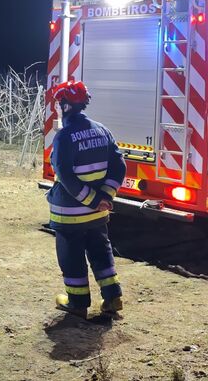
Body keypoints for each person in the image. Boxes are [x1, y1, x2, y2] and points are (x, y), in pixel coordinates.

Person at [47, 79, 126, 318]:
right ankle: (113, 297)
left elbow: (66, 176)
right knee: (101, 251)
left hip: (70, 214)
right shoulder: (102, 130)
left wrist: (90, 199)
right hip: (98, 214)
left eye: (59, 104)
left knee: (71, 257)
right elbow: (119, 165)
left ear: (66, 106)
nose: (58, 107)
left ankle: (77, 303)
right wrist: (105, 196)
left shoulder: (64, 136)